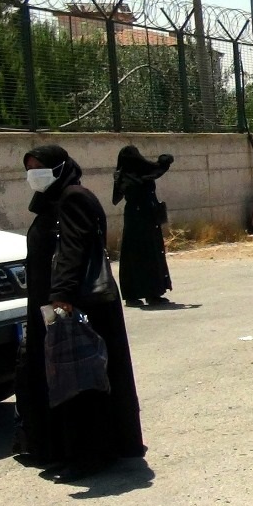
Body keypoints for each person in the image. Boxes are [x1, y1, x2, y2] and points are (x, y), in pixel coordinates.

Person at [16, 144, 146, 482]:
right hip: (54, 304)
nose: (34, 174)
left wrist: (61, 296)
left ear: (60, 167)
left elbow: (73, 248)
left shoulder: (73, 198)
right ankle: (62, 449)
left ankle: (90, 455)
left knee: (79, 382)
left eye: (40, 167)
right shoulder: (50, 202)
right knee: (63, 379)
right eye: (29, 167)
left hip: (75, 305)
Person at [111, 145, 174, 307]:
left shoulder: (140, 172)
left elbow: (157, 168)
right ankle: (137, 294)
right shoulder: (125, 177)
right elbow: (124, 192)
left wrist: (164, 161)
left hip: (145, 218)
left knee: (148, 254)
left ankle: (151, 293)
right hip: (138, 219)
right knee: (138, 256)